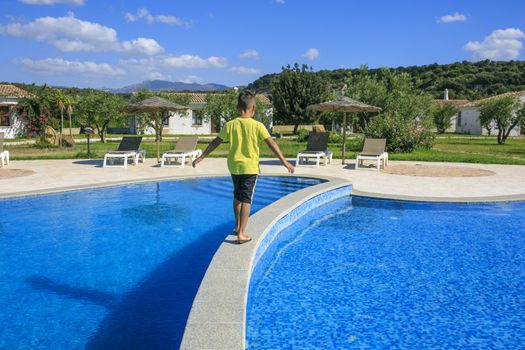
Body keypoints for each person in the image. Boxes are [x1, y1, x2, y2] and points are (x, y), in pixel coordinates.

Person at [192, 90, 294, 244]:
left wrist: (202, 156)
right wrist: (284, 161)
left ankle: (237, 226)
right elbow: (271, 143)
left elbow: (215, 142)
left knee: (237, 196)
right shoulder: (258, 125)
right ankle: (241, 233)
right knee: (246, 199)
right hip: (250, 168)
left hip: (234, 167)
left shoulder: (230, 125)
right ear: (253, 109)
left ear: (237, 108)